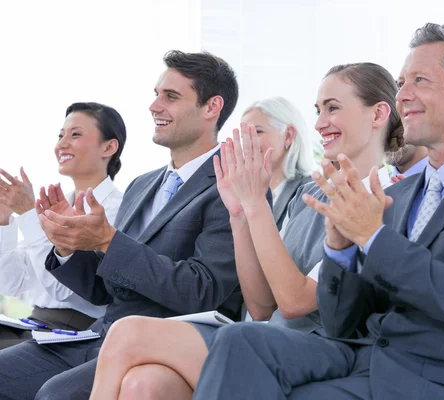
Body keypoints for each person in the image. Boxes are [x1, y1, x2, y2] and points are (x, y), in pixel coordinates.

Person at [193, 22, 444, 400]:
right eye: (402, 82)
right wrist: (339, 249)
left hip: (441, 380)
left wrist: (373, 237)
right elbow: (342, 324)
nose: (402, 95)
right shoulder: (399, 194)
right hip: (365, 358)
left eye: (419, 80)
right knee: (240, 340)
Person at [89, 62, 403, 400]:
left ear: (378, 114)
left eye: (333, 108)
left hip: (313, 349)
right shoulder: (311, 195)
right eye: (318, 110)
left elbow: (295, 301)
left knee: (128, 333)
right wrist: (239, 214)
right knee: (145, 384)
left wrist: (256, 205)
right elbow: (262, 305)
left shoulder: (386, 198)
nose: (319, 123)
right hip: (268, 334)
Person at [0, 50, 241, 400]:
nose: (154, 106)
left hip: (159, 346)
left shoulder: (230, 184)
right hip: (98, 337)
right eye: (156, 94)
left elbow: (202, 291)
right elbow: (104, 290)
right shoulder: (143, 184)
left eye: (170, 97)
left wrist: (108, 241)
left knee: (56, 395)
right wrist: (68, 247)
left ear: (211, 107)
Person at [0, 102, 126, 349]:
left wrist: (28, 213)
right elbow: (12, 283)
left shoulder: (119, 210)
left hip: (74, 335)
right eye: (60, 135)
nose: (61, 144)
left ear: (109, 147)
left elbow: (63, 289)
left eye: (75, 134)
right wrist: (4, 221)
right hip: (31, 326)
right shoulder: (55, 204)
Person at [241, 97, 319, 230]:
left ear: (288, 135)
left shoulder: (311, 192)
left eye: (257, 132)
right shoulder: (242, 191)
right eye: (243, 136)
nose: (247, 143)